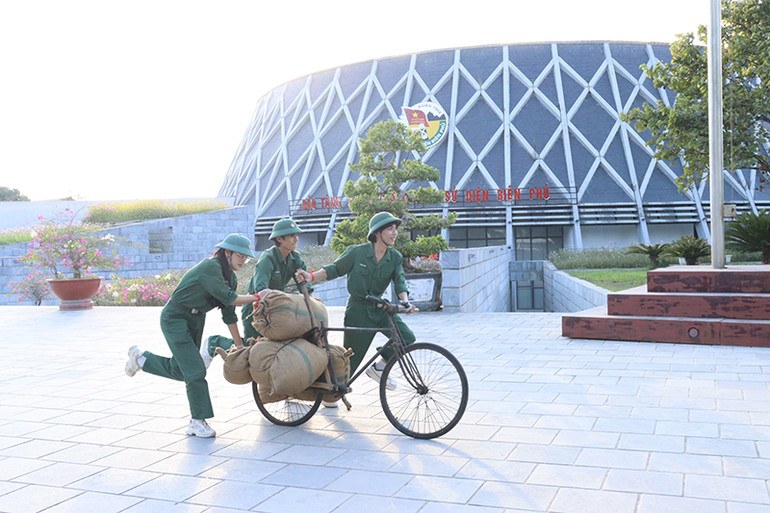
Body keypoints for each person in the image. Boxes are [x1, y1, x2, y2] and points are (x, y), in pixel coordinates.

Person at [124, 233, 259, 438]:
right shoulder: (210, 267)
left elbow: (229, 313)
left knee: (182, 371)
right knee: (196, 370)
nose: (243, 260)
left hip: (195, 320)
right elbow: (231, 299)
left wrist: (239, 346)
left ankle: (142, 360)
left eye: (246, 257)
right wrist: (259, 297)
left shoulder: (229, 277)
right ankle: (197, 422)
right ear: (227, 252)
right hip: (175, 317)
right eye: (240, 255)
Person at [295, 212, 417, 390]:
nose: (395, 233)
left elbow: (400, 281)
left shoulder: (395, 257)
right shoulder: (357, 252)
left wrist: (405, 302)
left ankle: (379, 368)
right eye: (389, 229)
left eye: (395, 229)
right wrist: (310, 277)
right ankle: (329, 392)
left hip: (381, 309)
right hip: (358, 311)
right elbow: (335, 269)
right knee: (350, 361)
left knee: (407, 337)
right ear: (377, 233)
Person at [203, 218, 313, 362]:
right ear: (279, 239)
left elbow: (303, 283)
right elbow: (262, 290)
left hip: (275, 306)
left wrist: (311, 298)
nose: (296, 239)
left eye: (297, 236)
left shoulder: (295, 258)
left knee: (275, 345)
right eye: (292, 236)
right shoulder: (268, 258)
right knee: (251, 348)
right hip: (256, 307)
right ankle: (215, 342)